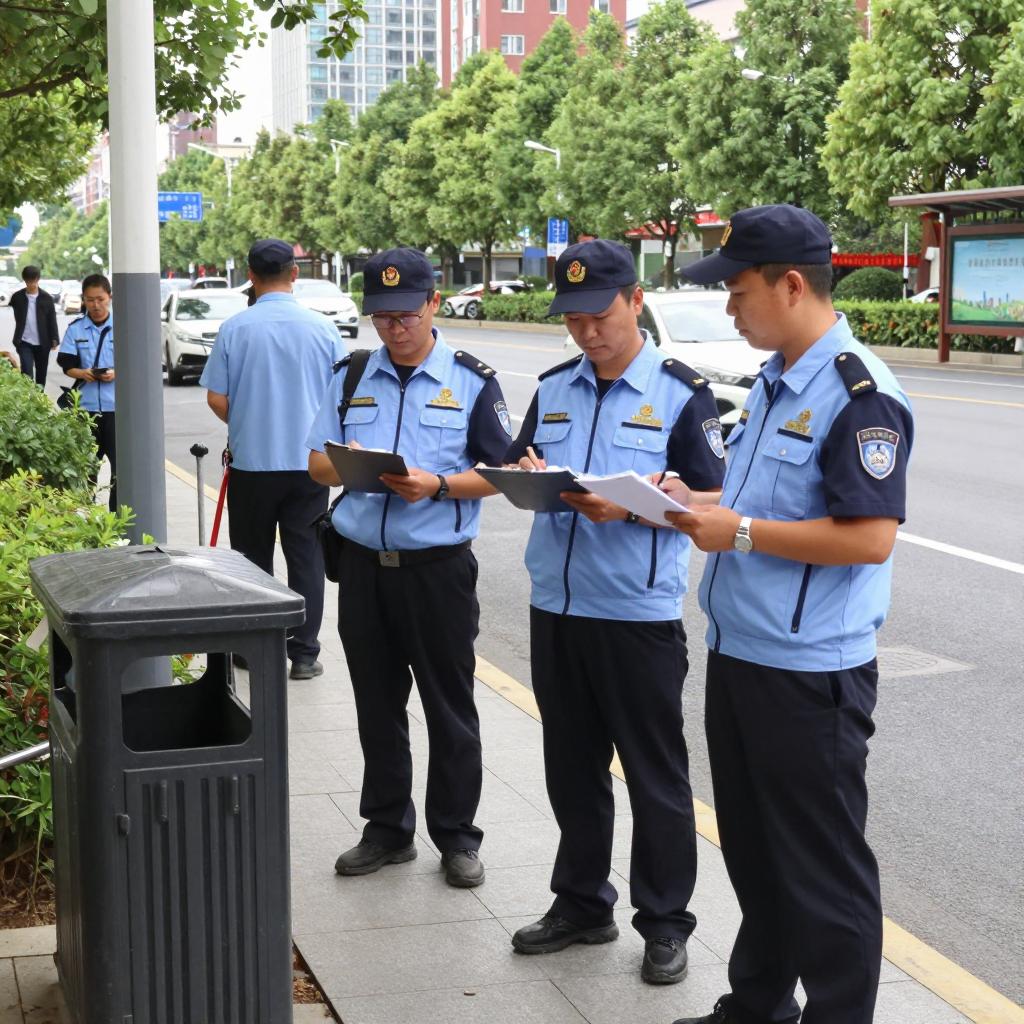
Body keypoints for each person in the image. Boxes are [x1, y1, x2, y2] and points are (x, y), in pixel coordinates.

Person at [664, 205, 914, 1024]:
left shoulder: (859, 394)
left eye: (738, 292)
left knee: (824, 869)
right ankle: (758, 1004)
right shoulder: (773, 382)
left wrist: (732, 529)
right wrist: (692, 500)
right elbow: (759, 501)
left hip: (812, 677)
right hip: (742, 653)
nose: (730, 309)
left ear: (792, 284)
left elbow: (870, 536)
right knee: (757, 853)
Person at [504, 239, 726, 984]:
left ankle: (664, 922)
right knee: (571, 768)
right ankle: (582, 904)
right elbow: (518, 461)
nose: (587, 333)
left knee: (654, 775)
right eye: (572, 320)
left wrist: (633, 511)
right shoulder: (556, 387)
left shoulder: (680, 392)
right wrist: (526, 477)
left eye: (599, 315)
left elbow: (716, 502)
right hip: (556, 608)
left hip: (636, 616)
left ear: (635, 299)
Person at [306, 247, 512, 888]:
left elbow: (502, 473)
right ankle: (387, 829)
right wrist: (354, 464)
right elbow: (314, 464)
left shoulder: (473, 381)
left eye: (404, 314)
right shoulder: (351, 376)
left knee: (449, 707)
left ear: (433, 303)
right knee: (375, 703)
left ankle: (456, 835)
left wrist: (439, 485)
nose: (393, 327)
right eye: (381, 316)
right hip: (364, 568)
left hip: (437, 571)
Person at [200, 239, 346, 680]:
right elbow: (342, 400)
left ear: (250, 274)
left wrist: (247, 418)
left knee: (251, 559)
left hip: (252, 465)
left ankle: (254, 648)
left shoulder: (235, 328)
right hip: (309, 466)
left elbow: (217, 399)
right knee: (306, 558)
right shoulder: (324, 329)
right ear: (294, 273)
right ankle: (303, 655)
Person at [56, 274, 117, 510]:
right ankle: (86, 515)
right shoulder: (76, 329)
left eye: (100, 299)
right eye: (90, 300)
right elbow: (67, 365)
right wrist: (84, 373)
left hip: (116, 410)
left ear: (110, 297)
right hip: (85, 411)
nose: (96, 305)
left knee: (120, 470)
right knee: (86, 468)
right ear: (84, 299)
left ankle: (115, 519)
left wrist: (116, 373)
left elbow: (137, 362)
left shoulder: (122, 328)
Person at [11, 266, 59, 386]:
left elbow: (52, 319)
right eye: (28, 281)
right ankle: (27, 401)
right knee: (27, 374)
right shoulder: (17, 297)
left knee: (41, 375)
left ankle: (39, 401)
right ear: (24, 280)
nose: (31, 284)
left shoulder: (47, 298)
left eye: (33, 281)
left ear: (38, 279)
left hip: (43, 343)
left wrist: (54, 338)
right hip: (24, 342)